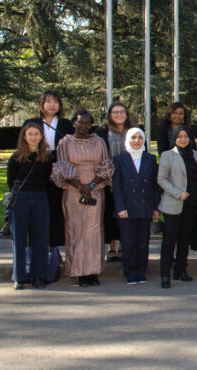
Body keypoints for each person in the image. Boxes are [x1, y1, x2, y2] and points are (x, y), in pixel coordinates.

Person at [51, 110, 114, 287]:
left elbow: (106, 165)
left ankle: (93, 271)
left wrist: (91, 185)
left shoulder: (99, 142)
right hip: (73, 191)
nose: (84, 126)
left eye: (87, 123)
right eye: (81, 123)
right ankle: (79, 272)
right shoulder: (65, 143)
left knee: (94, 231)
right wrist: (80, 187)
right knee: (76, 230)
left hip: (95, 190)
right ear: (74, 123)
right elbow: (62, 167)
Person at [22, 90, 73, 247]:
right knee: (39, 207)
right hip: (37, 167)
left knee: (57, 208)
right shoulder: (32, 123)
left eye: (55, 101)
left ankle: (55, 246)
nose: (52, 105)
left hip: (59, 167)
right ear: (41, 103)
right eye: (48, 101)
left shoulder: (66, 124)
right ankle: (38, 245)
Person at [7, 123, 53, 289]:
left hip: (40, 197)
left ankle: (38, 275)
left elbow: (48, 180)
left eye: (37, 134)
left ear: (41, 137)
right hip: (21, 198)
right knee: (19, 239)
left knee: (40, 239)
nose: (33, 137)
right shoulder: (16, 157)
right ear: (24, 136)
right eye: (30, 134)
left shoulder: (47, 157)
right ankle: (19, 277)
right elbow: (10, 181)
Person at [112, 127, 159, 285]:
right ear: (127, 140)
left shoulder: (150, 159)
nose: (137, 141)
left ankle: (141, 271)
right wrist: (120, 207)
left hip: (145, 206)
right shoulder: (119, 159)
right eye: (133, 137)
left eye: (140, 137)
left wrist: (155, 207)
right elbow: (116, 186)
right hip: (126, 207)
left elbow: (154, 185)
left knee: (143, 242)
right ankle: (130, 272)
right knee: (129, 242)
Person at [157, 126, 197, 288]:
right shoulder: (167, 155)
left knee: (184, 239)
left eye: (186, 136)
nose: (183, 139)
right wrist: (177, 193)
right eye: (179, 136)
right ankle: (165, 274)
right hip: (174, 204)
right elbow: (161, 179)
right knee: (169, 240)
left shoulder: (196, 155)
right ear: (174, 138)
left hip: (190, 204)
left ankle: (181, 270)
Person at [94, 101, 131, 263]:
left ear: (126, 114)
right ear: (110, 115)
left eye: (122, 112)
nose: (119, 115)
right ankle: (112, 247)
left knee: (125, 213)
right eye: (115, 112)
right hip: (107, 179)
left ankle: (124, 246)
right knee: (109, 214)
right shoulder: (101, 132)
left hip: (128, 180)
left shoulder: (133, 131)